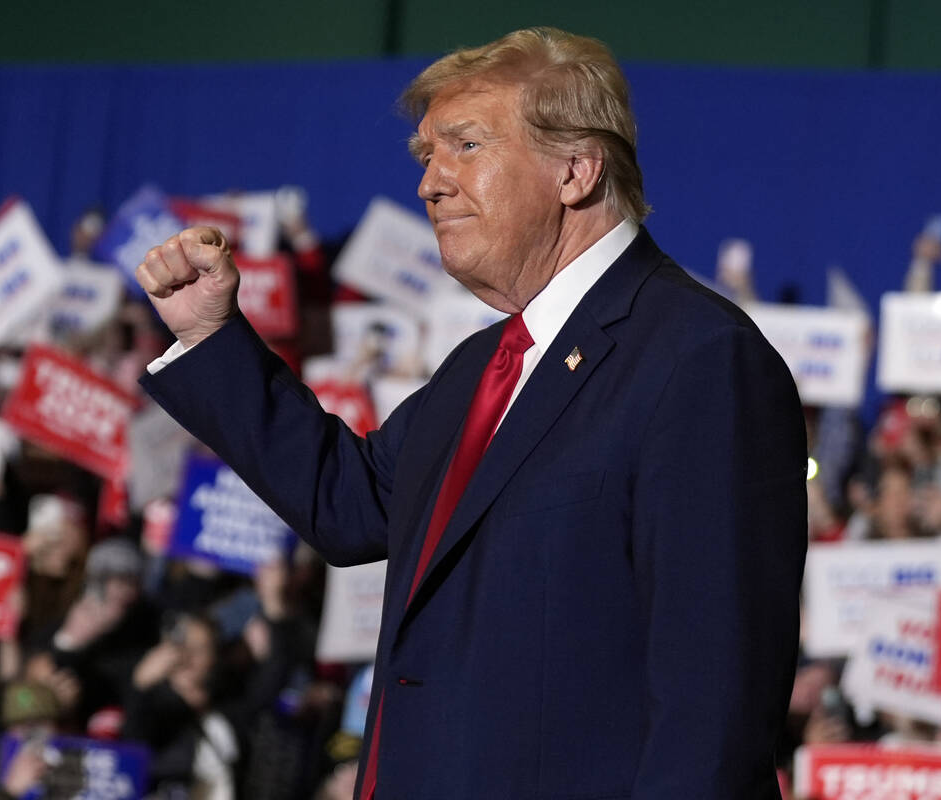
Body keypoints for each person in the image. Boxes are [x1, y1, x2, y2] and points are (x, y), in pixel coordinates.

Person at [137, 26, 807, 799]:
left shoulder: (698, 360)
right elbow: (349, 504)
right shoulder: (480, 368)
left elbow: (712, 702)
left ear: (576, 170)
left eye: (465, 145)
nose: (430, 182)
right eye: (426, 154)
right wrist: (212, 337)